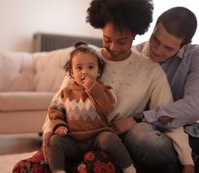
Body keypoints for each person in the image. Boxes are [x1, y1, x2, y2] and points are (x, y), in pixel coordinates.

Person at [43, 1, 195, 173]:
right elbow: (59, 102)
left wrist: (188, 162)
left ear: (135, 34)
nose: (114, 48)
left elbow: (168, 119)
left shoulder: (151, 71)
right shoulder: (87, 61)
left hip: (115, 147)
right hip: (75, 139)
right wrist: (49, 132)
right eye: (107, 39)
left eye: (122, 41)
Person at [115, 6, 199, 173]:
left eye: (168, 48)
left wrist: (141, 117)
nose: (157, 50)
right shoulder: (133, 55)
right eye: (155, 39)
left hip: (189, 136)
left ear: (184, 45)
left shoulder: (195, 55)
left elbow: (194, 106)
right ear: (154, 28)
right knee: (139, 135)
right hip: (149, 139)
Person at [44, 41, 137, 173]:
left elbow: (107, 106)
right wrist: (59, 125)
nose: (85, 72)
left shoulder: (104, 90)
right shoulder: (66, 92)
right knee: (54, 141)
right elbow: (54, 110)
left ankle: (129, 168)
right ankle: (58, 170)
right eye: (79, 68)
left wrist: (92, 88)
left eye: (91, 67)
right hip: (72, 140)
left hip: (96, 139)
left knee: (110, 138)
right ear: (71, 71)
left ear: (98, 71)